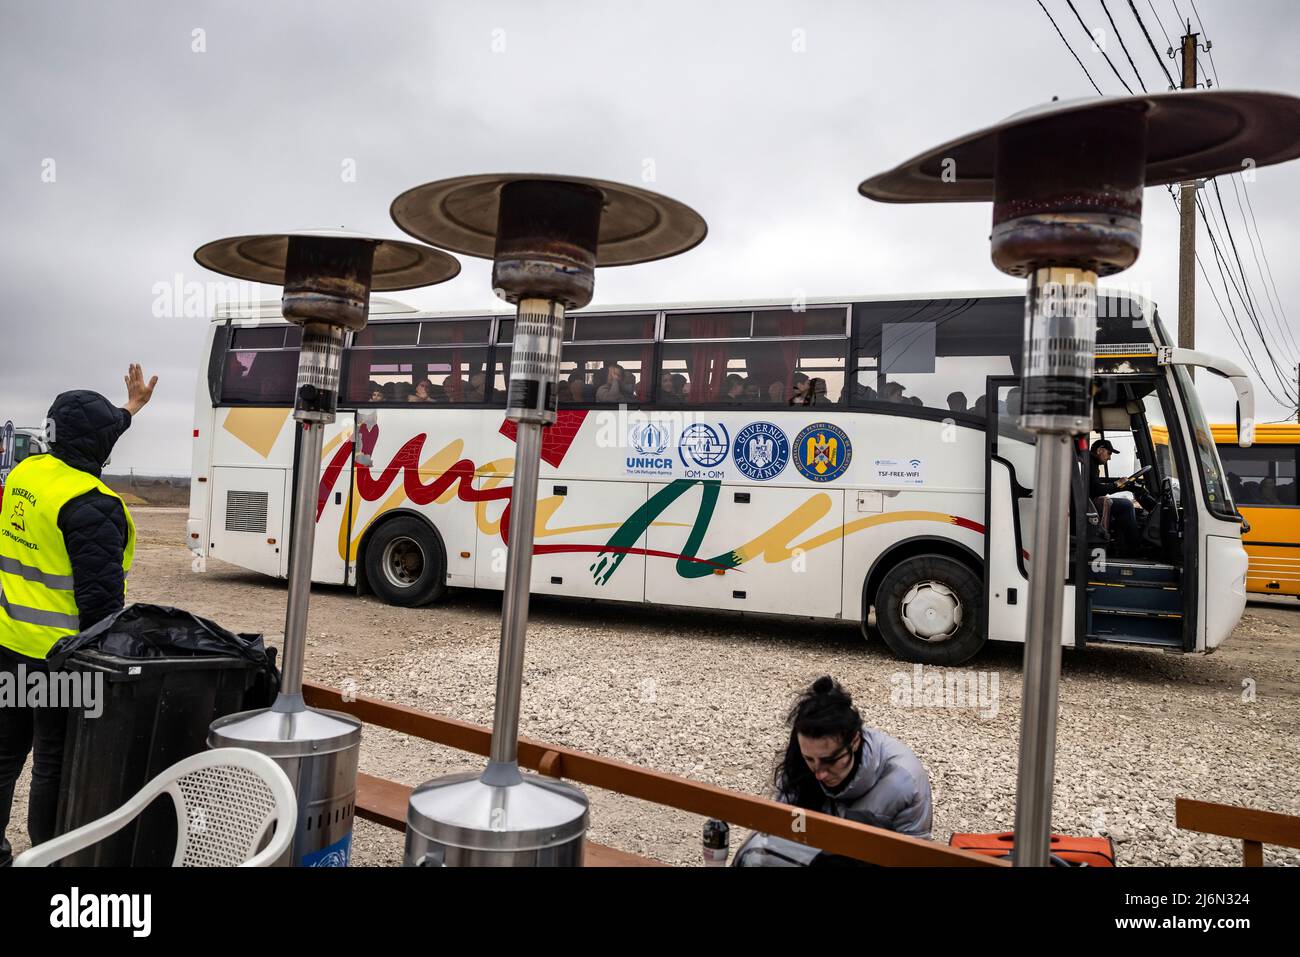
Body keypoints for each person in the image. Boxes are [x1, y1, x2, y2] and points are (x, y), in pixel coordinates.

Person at [0, 364, 157, 866]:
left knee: (3, 758)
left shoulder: (26, 474)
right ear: (98, 445)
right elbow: (103, 608)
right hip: (61, 663)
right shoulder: (91, 503)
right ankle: (48, 858)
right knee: (53, 763)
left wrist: (130, 408)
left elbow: (91, 432)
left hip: (8, 648)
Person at [773, 676, 932, 840]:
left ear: (855, 742)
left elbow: (912, 857)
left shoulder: (906, 782)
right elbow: (786, 832)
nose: (819, 774)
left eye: (830, 761)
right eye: (809, 759)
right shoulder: (800, 762)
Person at [1089, 438, 1153, 554]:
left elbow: (1096, 485)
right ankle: (1134, 547)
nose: (1109, 458)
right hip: (1089, 503)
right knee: (1126, 505)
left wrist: (1121, 483)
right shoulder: (1090, 463)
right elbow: (1096, 489)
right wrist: (1116, 484)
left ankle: (1122, 544)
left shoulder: (1091, 463)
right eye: (1109, 453)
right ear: (1099, 450)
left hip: (1090, 501)